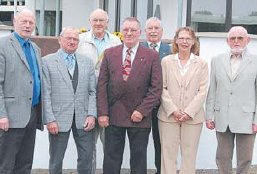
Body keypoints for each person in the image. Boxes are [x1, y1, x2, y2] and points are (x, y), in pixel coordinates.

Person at [97, 17, 162, 174]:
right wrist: (103, 113)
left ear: (140, 32)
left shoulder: (151, 55)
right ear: (121, 33)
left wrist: (142, 110)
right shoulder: (109, 54)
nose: (129, 33)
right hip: (114, 115)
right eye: (126, 30)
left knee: (138, 160)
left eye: (133, 30)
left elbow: (156, 88)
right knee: (111, 159)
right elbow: (102, 85)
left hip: (140, 116)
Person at [42, 27, 96, 174]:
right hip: (58, 120)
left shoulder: (87, 62)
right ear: (60, 40)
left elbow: (92, 91)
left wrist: (92, 115)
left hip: (84, 118)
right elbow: (45, 93)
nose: (72, 42)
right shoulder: (47, 62)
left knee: (86, 158)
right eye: (68, 38)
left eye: (75, 39)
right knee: (56, 160)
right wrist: (50, 119)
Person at [206, 26, 257, 174]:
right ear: (227, 41)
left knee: (245, 159)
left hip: (247, 119)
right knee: (222, 157)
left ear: (247, 40)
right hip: (223, 118)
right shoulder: (216, 60)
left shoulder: (255, 61)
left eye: (240, 38)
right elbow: (213, 89)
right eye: (232, 38)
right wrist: (209, 115)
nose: (236, 42)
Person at [158, 27, 209, 174]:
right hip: (168, 117)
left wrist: (188, 112)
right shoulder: (166, 62)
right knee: (168, 155)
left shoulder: (202, 63)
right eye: (181, 38)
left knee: (189, 155)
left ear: (193, 42)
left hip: (193, 118)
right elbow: (162, 88)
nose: (184, 42)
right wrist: (173, 110)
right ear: (176, 41)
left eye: (188, 38)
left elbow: (202, 91)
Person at [77, 8, 121, 173]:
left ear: (107, 22)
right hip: (86, 101)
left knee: (109, 145)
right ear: (90, 21)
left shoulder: (116, 41)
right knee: (88, 147)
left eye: (101, 20)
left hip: (109, 102)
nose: (98, 23)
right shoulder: (80, 40)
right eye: (95, 20)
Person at [0, 8, 43, 174]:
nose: (27, 25)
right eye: (23, 21)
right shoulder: (3, 45)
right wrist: (1, 114)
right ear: (14, 22)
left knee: (25, 164)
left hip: (32, 114)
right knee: (5, 164)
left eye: (31, 22)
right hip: (10, 117)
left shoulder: (35, 49)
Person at [141, 16, 171, 174]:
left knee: (161, 143)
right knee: (139, 143)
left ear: (162, 31)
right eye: (150, 28)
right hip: (140, 106)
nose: (153, 31)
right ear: (145, 31)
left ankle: (161, 171)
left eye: (156, 28)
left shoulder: (171, 50)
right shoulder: (137, 48)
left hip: (163, 105)